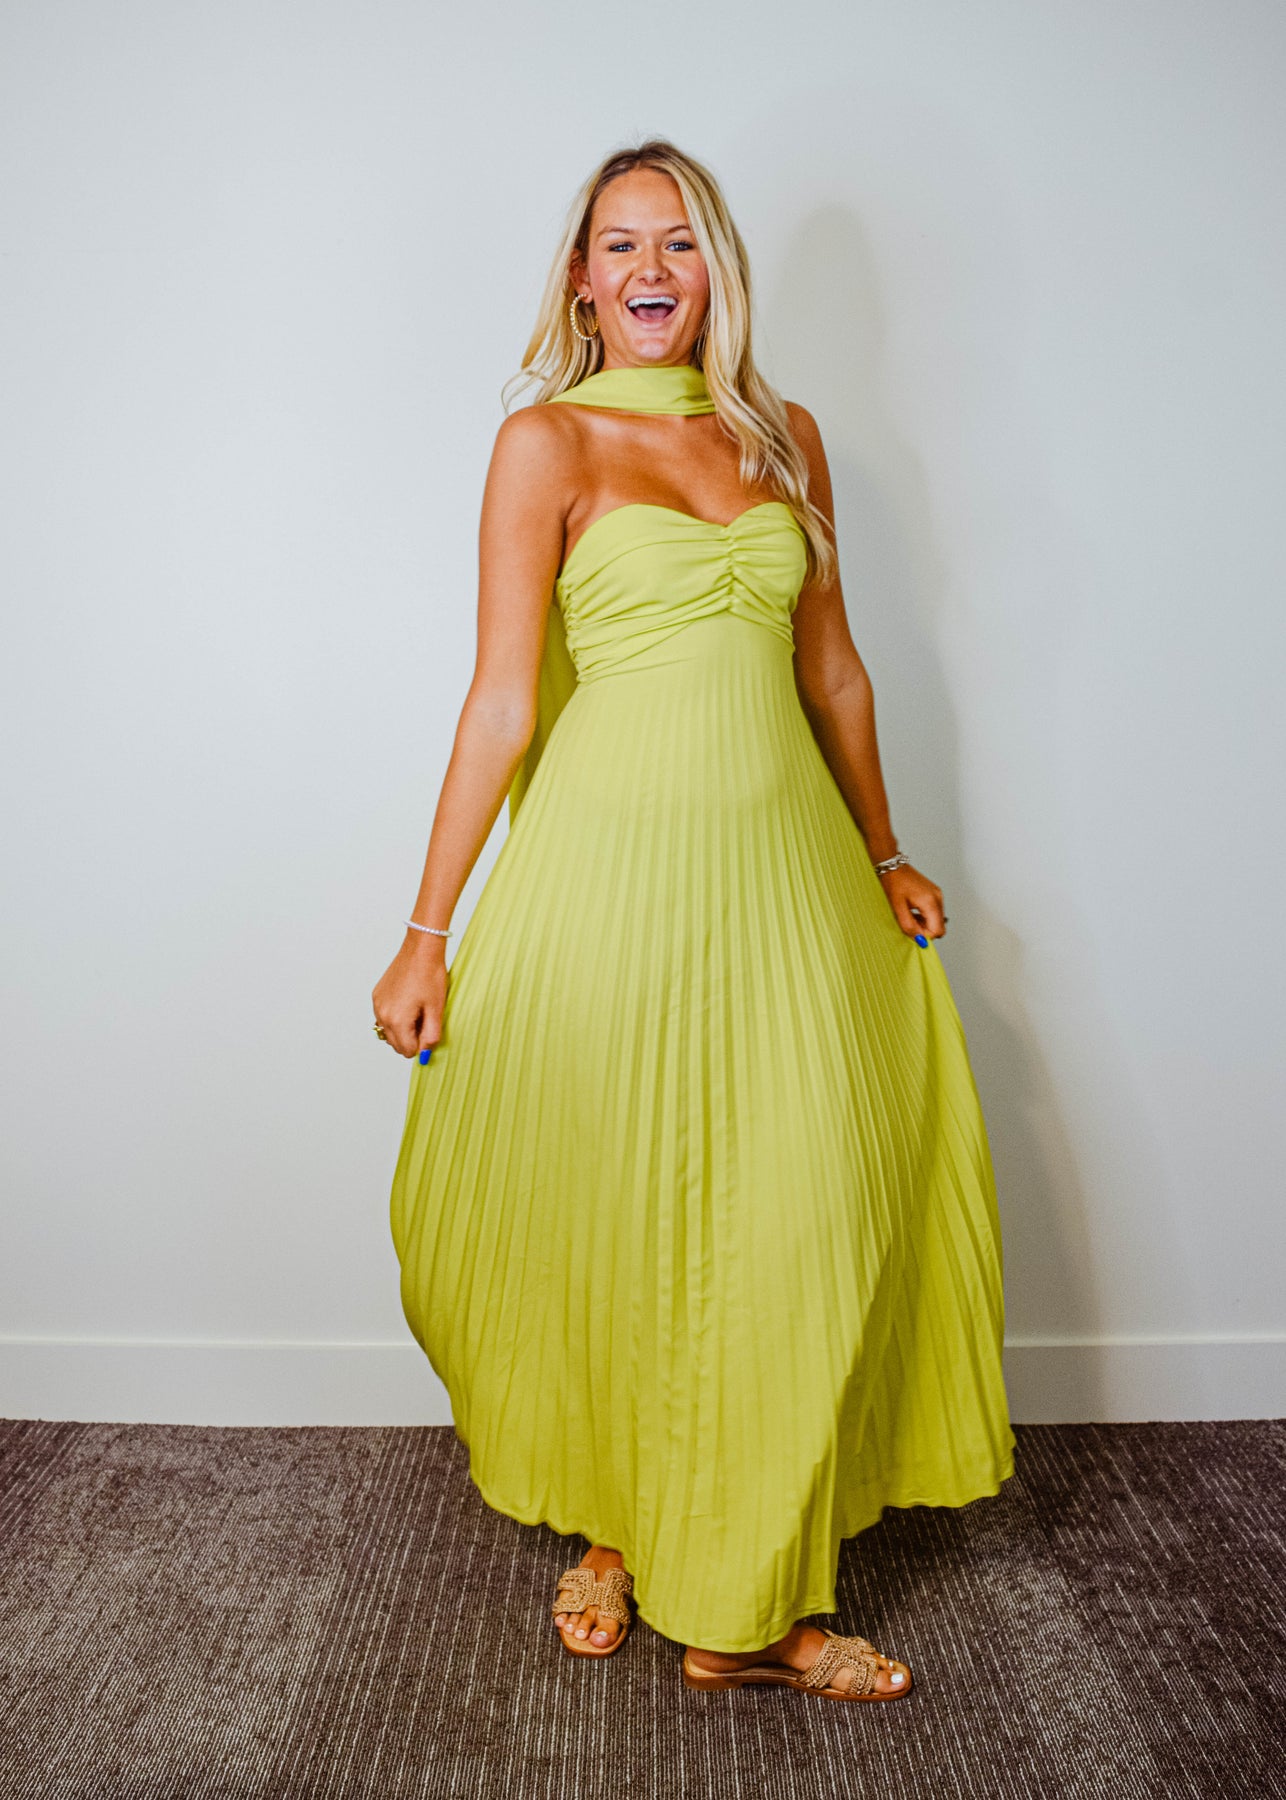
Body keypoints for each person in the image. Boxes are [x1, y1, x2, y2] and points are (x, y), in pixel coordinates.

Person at [371, 137, 1015, 1703]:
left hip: (786, 877)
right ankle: (617, 1529)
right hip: (605, 879)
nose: (650, 268)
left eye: (678, 242)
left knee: (791, 1210)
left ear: (715, 272)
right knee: (612, 1200)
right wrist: (426, 928)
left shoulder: (785, 436)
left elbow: (833, 668)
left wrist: (883, 848)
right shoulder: (544, 444)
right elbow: (501, 698)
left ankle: (749, 1601)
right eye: (620, 244)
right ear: (581, 280)